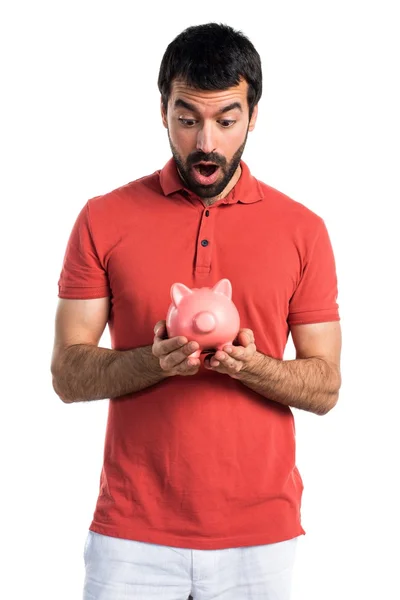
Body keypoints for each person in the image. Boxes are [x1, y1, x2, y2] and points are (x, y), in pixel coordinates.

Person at [51, 22, 342, 600]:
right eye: (188, 119)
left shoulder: (303, 230)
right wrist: (155, 362)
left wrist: (250, 365)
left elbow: (326, 386)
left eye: (226, 120)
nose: (206, 141)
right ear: (163, 111)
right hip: (131, 534)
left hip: (259, 537)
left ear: (253, 115)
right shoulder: (102, 218)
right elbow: (67, 374)